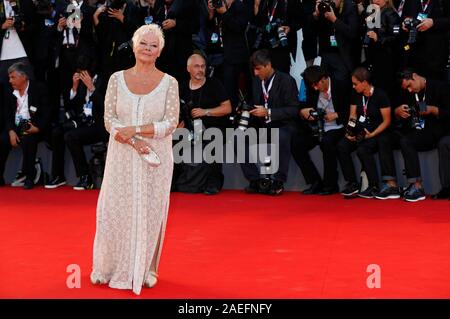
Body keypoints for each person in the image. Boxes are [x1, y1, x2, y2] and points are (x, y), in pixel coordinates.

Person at [90, 24, 179, 295]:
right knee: (113, 210)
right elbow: (109, 120)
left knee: (151, 213)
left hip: (156, 158)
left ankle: (145, 270)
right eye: (144, 43)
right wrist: (134, 141)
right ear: (134, 45)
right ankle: (106, 267)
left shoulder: (169, 83)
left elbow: (171, 122)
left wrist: (138, 131)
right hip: (122, 156)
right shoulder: (116, 79)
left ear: (160, 50)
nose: (148, 49)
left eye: (154, 45)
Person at [376, 69, 449, 201]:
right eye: (406, 88)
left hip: (432, 131)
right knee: (384, 139)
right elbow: (397, 117)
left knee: (406, 141)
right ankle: (391, 184)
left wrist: (433, 110)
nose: (409, 90)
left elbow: (448, 113)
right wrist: (397, 113)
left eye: (409, 86)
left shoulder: (440, 87)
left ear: (415, 76)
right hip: (411, 129)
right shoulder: (406, 92)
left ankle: (417, 186)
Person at [240, 49, 300, 195]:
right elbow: (255, 102)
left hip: (283, 125)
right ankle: (255, 180)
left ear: (268, 65)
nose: (255, 73)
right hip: (262, 126)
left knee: (279, 135)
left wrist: (269, 112)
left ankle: (278, 180)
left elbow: (293, 110)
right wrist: (247, 108)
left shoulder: (286, 81)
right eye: (254, 69)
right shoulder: (256, 81)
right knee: (237, 138)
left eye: (258, 69)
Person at [173, 53, 231, 194]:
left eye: (203, 66)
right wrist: (176, 125)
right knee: (173, 141)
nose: (200, 70)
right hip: (188, 129)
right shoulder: (181, 87)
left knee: (213, 139)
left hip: (212, 128)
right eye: (196, 66)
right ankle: (174, 181)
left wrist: (206, 112)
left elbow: (227, 108)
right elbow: (173, 111)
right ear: (188, 69)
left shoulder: (214, 84)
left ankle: (214, 182)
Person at [337, 67, 391, 198]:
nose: (353, 86)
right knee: (342, 146)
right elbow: (353, 116)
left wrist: (372, 134)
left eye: (355, 84)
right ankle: (352, 183)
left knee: (363, 150)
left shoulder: (380, 95)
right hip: (359, 131)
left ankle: (374, 185)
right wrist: (349, 131)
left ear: (365, 82)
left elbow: (387, 121)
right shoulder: (355, 94)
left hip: (375, 132)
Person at [295, 65, 350, 195]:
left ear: (324, 79)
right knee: (297, 143)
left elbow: (352, 110)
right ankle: (314, 181)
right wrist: (303, 112)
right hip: (318, 126)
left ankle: (330, 184)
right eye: (312, 86)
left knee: (327, 142)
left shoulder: (341, 85)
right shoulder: (312, 87)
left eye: (316, 84)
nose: (314, 88)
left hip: (338, 126)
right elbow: (304, 105)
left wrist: (336, 115)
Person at [3, 62, 51, 189]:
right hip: (16, 125)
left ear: (23, 77)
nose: (9, 80)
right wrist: (11, 131)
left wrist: (38, 127)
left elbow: (47, 112)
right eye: (9, 77)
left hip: (32, 124)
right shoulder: (9, 91)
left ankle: (29, 176)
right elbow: (7, 115)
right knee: (2, 139)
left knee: (28, 139)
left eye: (12, 77)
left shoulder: (38, 88)